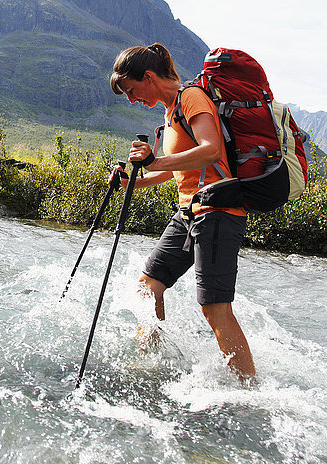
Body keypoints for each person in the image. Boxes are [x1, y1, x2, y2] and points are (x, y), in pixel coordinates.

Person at [109, 43, 255, 382]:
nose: (132, 99)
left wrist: (153, 160)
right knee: (148, 288)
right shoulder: (170, 110)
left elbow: (211, 150)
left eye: (132, 91)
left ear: (148, 77)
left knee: (214, 307)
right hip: (189, 212)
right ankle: (151, 369)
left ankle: (251, 391)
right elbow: (173, 171)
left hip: (219, 209)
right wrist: (134, 180)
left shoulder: (191, 98)